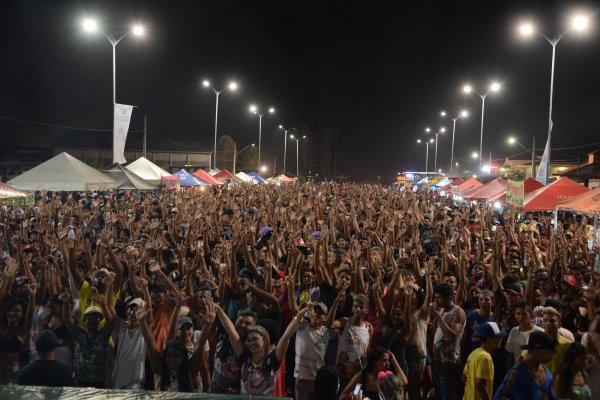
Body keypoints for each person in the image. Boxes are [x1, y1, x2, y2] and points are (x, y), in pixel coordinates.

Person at [493, 331, 555, 400]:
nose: (552, 356)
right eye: (549, 352)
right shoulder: (516, 374)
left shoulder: (547, 374)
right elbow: (499, 397)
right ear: (536, 350)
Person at [431, 283, 466, 400]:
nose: (436, 300)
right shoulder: (440, 310)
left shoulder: (458, 312)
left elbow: (452, 337)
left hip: (449, 364)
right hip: (437, 361)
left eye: (439, 297)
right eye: (435, 297)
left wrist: (438, 317)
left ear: (449, 297)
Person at [339, 346, 407, 400]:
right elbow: (346, 394)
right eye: (384, 361)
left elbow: (404, 382)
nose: (388, 364)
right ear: (374, 362)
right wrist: (357, 393)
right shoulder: (362, 376)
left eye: (388, 360)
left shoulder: (387, 376)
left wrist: (394, 360)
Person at [462, 322, 505, 400]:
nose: (500, 339)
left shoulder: (474, 352)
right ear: (489, 339)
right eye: (497, 337)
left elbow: (463, 377)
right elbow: (480, 384)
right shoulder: (485, 357)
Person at [505, 302, 543, 366]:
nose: (520, 317)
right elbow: (510, 354)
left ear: (531, 315)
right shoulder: (513, 331)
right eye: (518, 314)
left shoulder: (539, 332)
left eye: (524, 314)